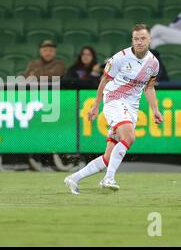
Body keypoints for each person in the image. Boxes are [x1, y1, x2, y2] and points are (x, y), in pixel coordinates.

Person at [65, 24, 163, 194]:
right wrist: (96, 105)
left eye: (143, 38)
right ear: (132, 40)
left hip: (131, 106)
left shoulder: (153, 63)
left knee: (108, 157)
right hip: (114, 99)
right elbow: (104, 80)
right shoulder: (120, 57)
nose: (139, 42)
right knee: (129, 136)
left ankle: (73, 178)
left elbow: (149, 87)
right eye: (136, 38)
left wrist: (155, 109)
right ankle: (108, 178)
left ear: (150, 39)